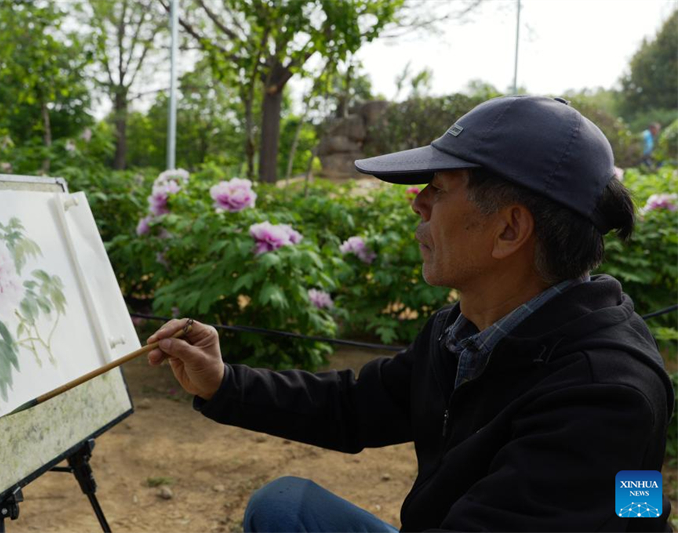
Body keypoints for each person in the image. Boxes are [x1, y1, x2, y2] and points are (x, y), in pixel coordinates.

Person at [146, 96, 674, 532]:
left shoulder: (604, 394)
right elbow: (355, 406)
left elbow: (640, 505)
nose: (416, 203)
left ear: (509, 230)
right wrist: (222, 383)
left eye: (438, 189)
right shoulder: (465, 331)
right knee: (285, 505)